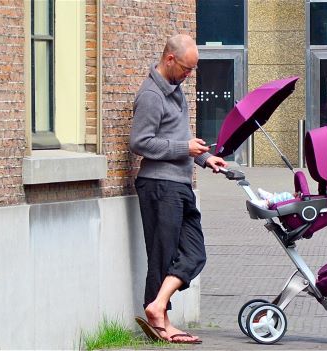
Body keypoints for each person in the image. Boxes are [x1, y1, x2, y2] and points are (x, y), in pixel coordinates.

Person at [129, 34, 227, 344]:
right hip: (159, 185)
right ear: (170, 59)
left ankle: (157, 305)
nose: (189, 75)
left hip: (180, 185)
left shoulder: (176, 92)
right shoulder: (151, 96)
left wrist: (207, 158)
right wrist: (184, 147)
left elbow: (180, 139)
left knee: (195, 253)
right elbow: (139, 143)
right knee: (162, 254)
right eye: (186, 68)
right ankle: (162, 319)